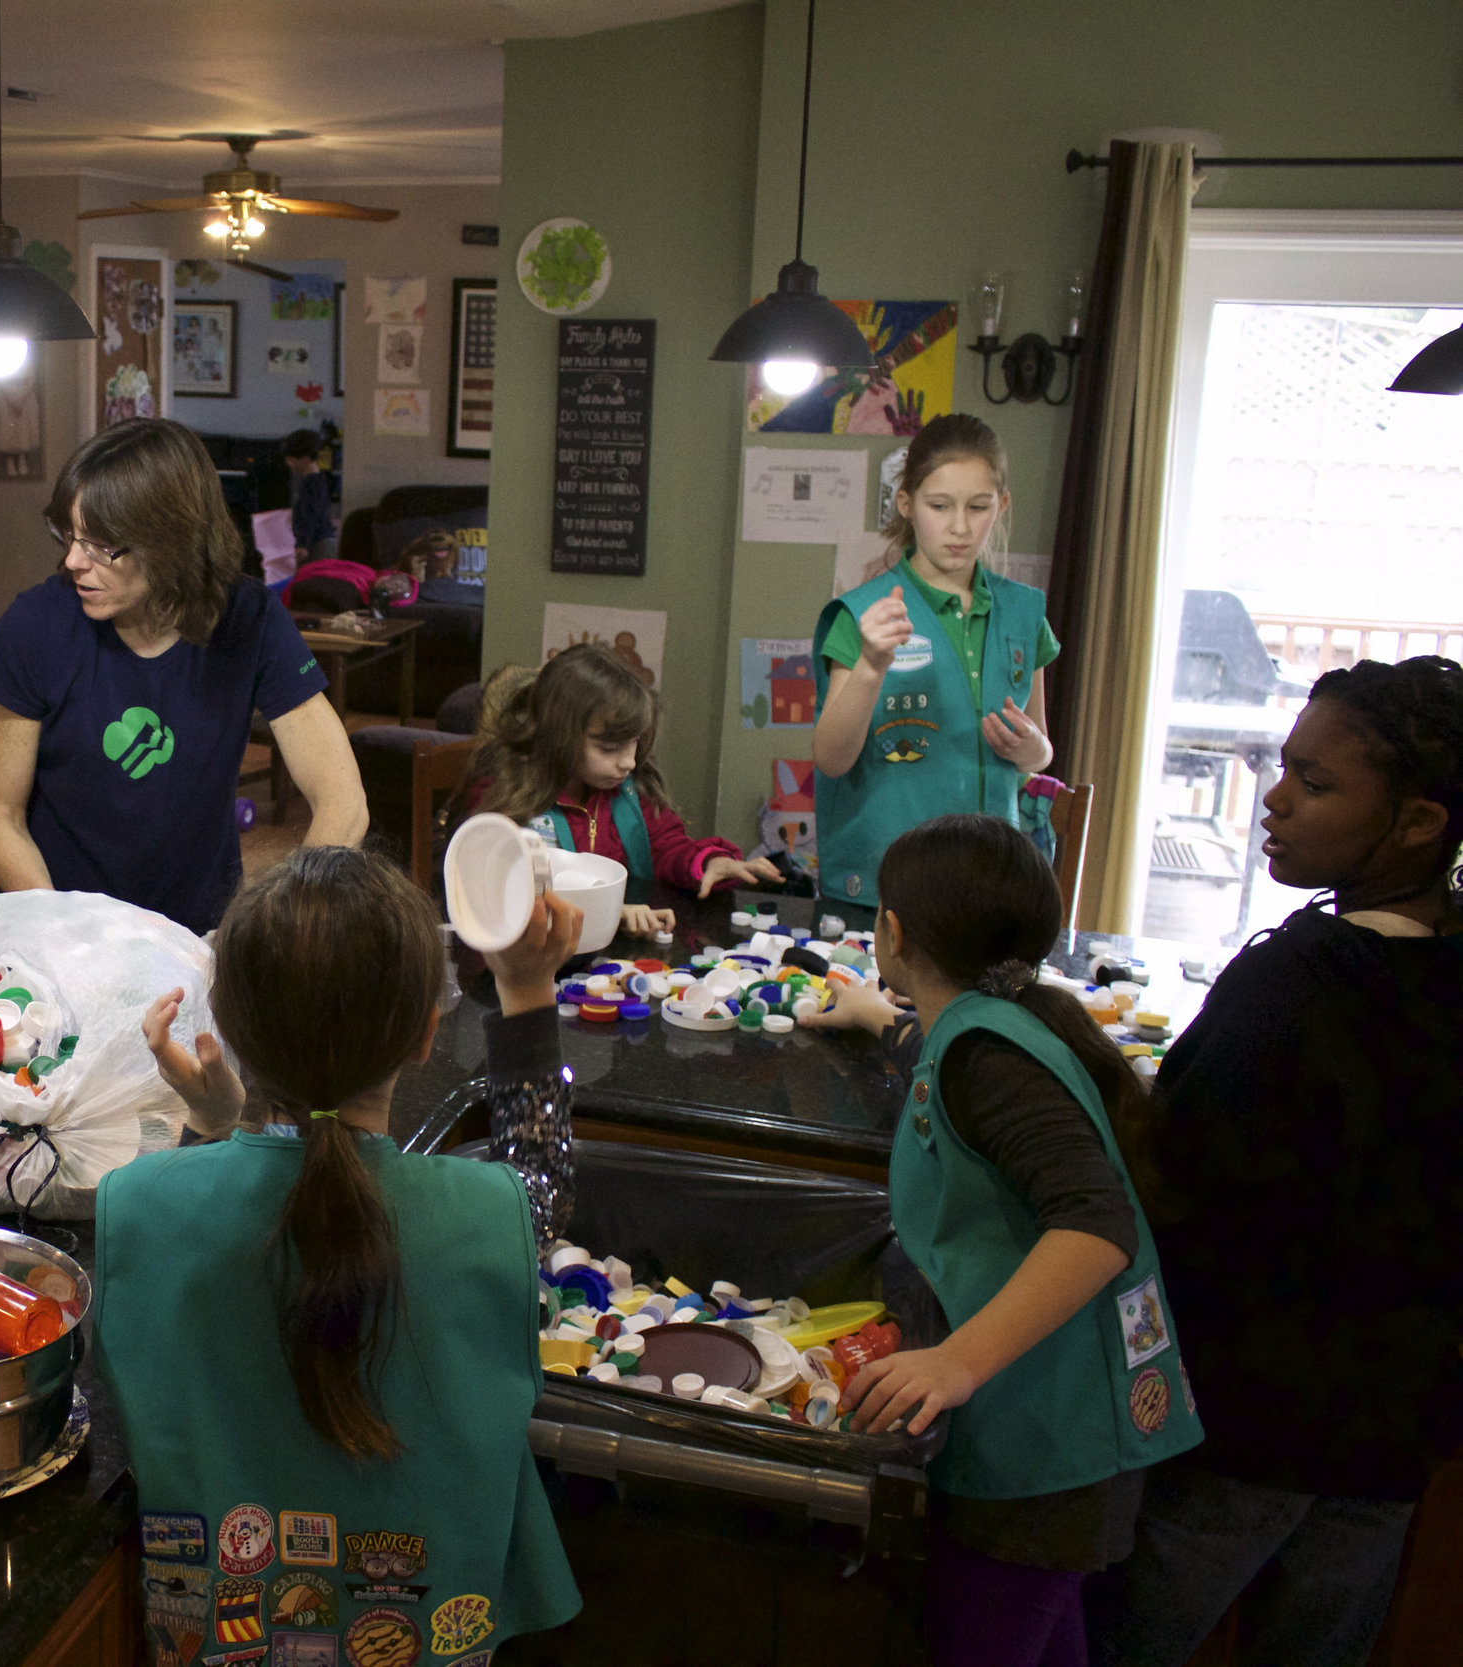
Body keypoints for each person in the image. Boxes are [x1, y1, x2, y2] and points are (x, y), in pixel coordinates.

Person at [99, 848, 584, 1665]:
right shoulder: (488, 1213)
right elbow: (542, 1179)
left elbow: (177, 1231)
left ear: (230, 1024)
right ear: (428, 1033)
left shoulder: (135, 1201)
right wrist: (528, 991)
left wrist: (211, 1126)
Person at [1093, 656, 1462, 1667]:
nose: (1273, 796)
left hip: (1247, 1424)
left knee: (1131, 1638)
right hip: (1392, 1431)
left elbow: (1174, 1176)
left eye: (1316, 781)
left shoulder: (1289, 985)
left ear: (1420, 822)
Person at [801, 814, 1201, 1667]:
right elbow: (939, 1055)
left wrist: (956, 1362)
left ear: (894, 932)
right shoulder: (989, 1023)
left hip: (1051, 1446)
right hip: (1055, 1429)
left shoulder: (990, 1053)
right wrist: (878, 1017)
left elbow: (1097, 1225)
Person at [0, 419, 367, 935]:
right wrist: (69, 936)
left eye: (101, 545)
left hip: (194, 936)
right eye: (69, 535)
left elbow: (342, 801)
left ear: (171, 541)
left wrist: (280, 927)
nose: (73, 560)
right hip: (55, 932)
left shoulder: (250, 620)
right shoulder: (35, 626)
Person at [812, 413, 1057, 905]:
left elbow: (1041, 752)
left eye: (979, 506)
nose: (960, 527)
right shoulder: (862, 615)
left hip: (987, 884)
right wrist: (870, 668)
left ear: (1002, 506)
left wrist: (1030, 749)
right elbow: (831, 759)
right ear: (907, 504)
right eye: (940, 506)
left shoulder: (1024, 613)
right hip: (884, 889)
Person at [467, 642, 780, 935]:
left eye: (635, 743)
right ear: (559, 734)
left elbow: (667, 846)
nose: (629, 762)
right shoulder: (505, 795)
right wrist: (607, 913)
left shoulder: (630, 792)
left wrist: (710, 862)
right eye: (609, 748)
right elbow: (499, 885)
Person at [281, 426, 335, 565]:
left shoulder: (311, 483)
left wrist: (303, 543)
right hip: (318, 540)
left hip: (316, 543)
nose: (289, 463)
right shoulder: (318, 480)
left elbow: (310, 513)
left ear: (305, 458)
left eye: (291, 459)